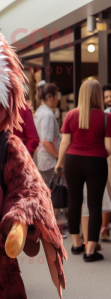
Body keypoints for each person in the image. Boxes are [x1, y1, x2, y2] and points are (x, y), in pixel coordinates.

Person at [55, 79, 111, 262]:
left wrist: (59, 162)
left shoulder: (70, 115)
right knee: (95, 205)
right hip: (96, 162)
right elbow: (108, 148)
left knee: (74, 202)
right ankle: (90, 250)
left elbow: (64, 142)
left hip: (72, 161)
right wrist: (97, 151)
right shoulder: (106, 118)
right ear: (98, 96)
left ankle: (77, 244)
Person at [34, 81, 60, 184]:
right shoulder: (47, 114)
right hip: (49, 162)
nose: (58, 99)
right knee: (53, 196)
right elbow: (46, 142)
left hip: (43, 160)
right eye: (57, 96)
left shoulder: (40, 111)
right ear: (51, 98)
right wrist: (59, 157)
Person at [101, 84, 111, 238]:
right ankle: (104, 226)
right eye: (106, 97)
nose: (109, 100)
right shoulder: (104, 115)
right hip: (108, 157)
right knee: (107, 193)